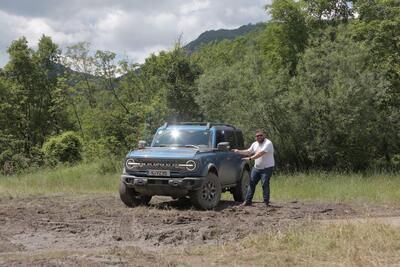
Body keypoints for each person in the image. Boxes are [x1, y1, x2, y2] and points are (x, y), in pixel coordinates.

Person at [233, 129, 275, 207]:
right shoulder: (255, 144)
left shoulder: (268, 143)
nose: (259, 137)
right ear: (255, 137)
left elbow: (260, 153)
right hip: (257, 168)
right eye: (257, 136)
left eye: (260, 135)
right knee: (251, 183)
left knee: (265, 184)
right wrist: (238, 151)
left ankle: (266, 203)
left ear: (264, 135)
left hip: (267, 168)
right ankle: (248, 201)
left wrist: (250, 158)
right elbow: (248, 151)